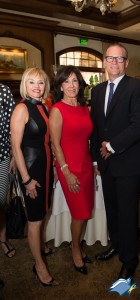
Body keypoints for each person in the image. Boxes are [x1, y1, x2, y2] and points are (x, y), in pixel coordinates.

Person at [90, 43, 140, 280]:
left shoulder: (137, 87)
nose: (114, 63)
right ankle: (116, 245)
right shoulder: (97, 90)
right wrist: (96, 160)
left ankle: (129, 260)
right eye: (110, 58)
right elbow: (96, 127)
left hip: (127, 162)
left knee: (127, 214)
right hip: (105, 164)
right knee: (112, 210)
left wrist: (112, 146)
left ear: (126, 62)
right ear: (104, 62)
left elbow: (138, 124)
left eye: (119, 59)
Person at [10, 67, 58, 286]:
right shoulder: (21, 108)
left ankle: (41, 246)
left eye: (40, 83)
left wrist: (54, 168)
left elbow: (47, 141)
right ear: (25, 85)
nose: (37, 87)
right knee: (35, 220)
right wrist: (27, 179)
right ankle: (39, 266)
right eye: (32, 82)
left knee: (43, 211)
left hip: (45, 166)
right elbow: (16, 147)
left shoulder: (44, 107)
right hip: (30, 170)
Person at [49, 65, 94, 275]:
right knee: (79, 212)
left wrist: (93, 165)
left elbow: (87, 139)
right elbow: (55, 144)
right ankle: (75, 248)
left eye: (75, 81)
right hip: (69, 167)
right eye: (66, 81)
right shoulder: (57, 109)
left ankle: (77, 244)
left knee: (85, 212)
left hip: (85, 165)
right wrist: (65, 172)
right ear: (60, 85)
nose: (71, 85)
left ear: (80, 84)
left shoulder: (85, 108)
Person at [0, 83, 16, 258]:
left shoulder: (3, 91)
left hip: (2, 156)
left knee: (1, 202)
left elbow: (13, 128)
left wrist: (13, 157)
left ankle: (3, 238)